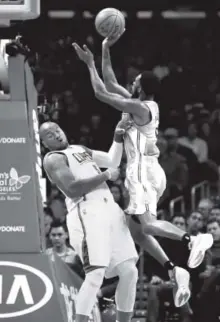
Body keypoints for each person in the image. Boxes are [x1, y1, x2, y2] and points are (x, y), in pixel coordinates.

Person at [73, 36, 213, 307]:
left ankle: (193, 239)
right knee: (136, 231)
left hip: (143, 173)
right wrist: (104, 49)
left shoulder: (139, 107)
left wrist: (89, 65)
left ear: (141, 86)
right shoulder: (140, 103)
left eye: (135, 79)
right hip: (146, 172)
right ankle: (174, 269)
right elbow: (111, 82)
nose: (131, 81)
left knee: (147, 224)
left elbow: (101, 93)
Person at [40, 120, 138, 322]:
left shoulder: (79, 149)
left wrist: (117, 136)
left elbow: (112, 160)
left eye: (57, 129)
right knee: (95, 275)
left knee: (129, 271)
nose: (57, 134)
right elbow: (72, 189)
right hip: (87, 213)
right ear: (44, 143)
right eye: (50, 135)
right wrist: (105, 176)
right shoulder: (53, 159)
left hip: (110, 210)